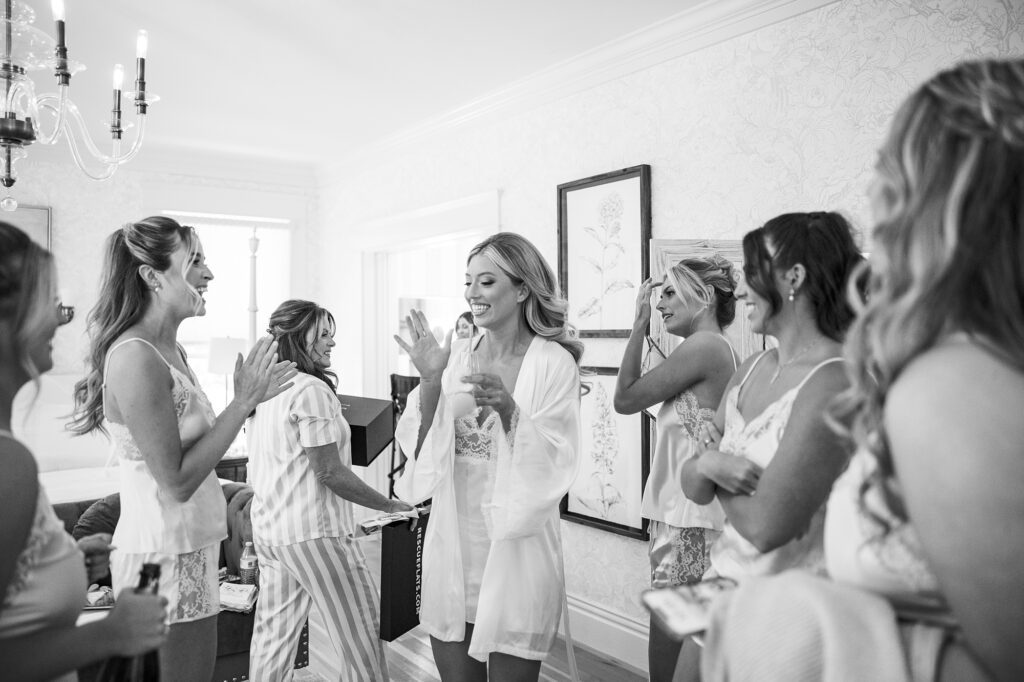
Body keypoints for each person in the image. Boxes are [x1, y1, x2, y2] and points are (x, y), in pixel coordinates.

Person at [702, 58, 1024, 682]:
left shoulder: (950, 387)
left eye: (884, 171)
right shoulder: (964, 361)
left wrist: (800, 624)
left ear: (934, 195)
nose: (875, 200)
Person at [69, 216, 296, 681]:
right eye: (195, 261)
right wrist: (243, 401)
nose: (208, 275)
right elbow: (173, 482)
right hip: (160, 552)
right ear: (152, 276)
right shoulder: (135, 356)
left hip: (192, 543)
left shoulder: (172, 350)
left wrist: (251, 404)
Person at [675, 212, 863, 680]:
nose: (738, 290)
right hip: (718, 588)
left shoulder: (835, 381)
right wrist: (713, 465)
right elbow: (692, 486)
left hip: (787, 614)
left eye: (751, 273)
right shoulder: (752, 368)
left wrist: (710, 462)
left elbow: (765, 528)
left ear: (793, 277)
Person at [393, 232, 582, 681]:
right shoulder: (456, 357)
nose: (471, 294)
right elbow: (420, 460)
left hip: (517, 555)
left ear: (521, 289)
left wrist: (508, 407)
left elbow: (557, 463)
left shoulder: (554, 363)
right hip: (453, 550)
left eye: (486, 282)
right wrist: (432, 381)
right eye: (468, 282)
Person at [0, 221, 168, 681]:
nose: (61, 317)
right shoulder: (8, 463)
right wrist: (111, 633)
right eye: (50, 301)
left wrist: (57, 560)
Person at [247, 299, 413, 681]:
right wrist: (388, 505)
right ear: (294, 338)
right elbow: (329, 473)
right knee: (361, 637)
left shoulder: (265, 391)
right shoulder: (311, 391)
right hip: (315, 535)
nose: (331, 343)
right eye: (322, 334)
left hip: (272, 534)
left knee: (273, 641)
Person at [612, 255, 739, 682]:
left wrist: (637, 326)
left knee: (671, 634)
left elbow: (625, 400)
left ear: (702, 298)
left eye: (669, 292)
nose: (660, 302)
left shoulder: (704, 347)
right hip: (684, 513)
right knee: (684, 635)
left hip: (689, 517)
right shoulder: (711, 349)